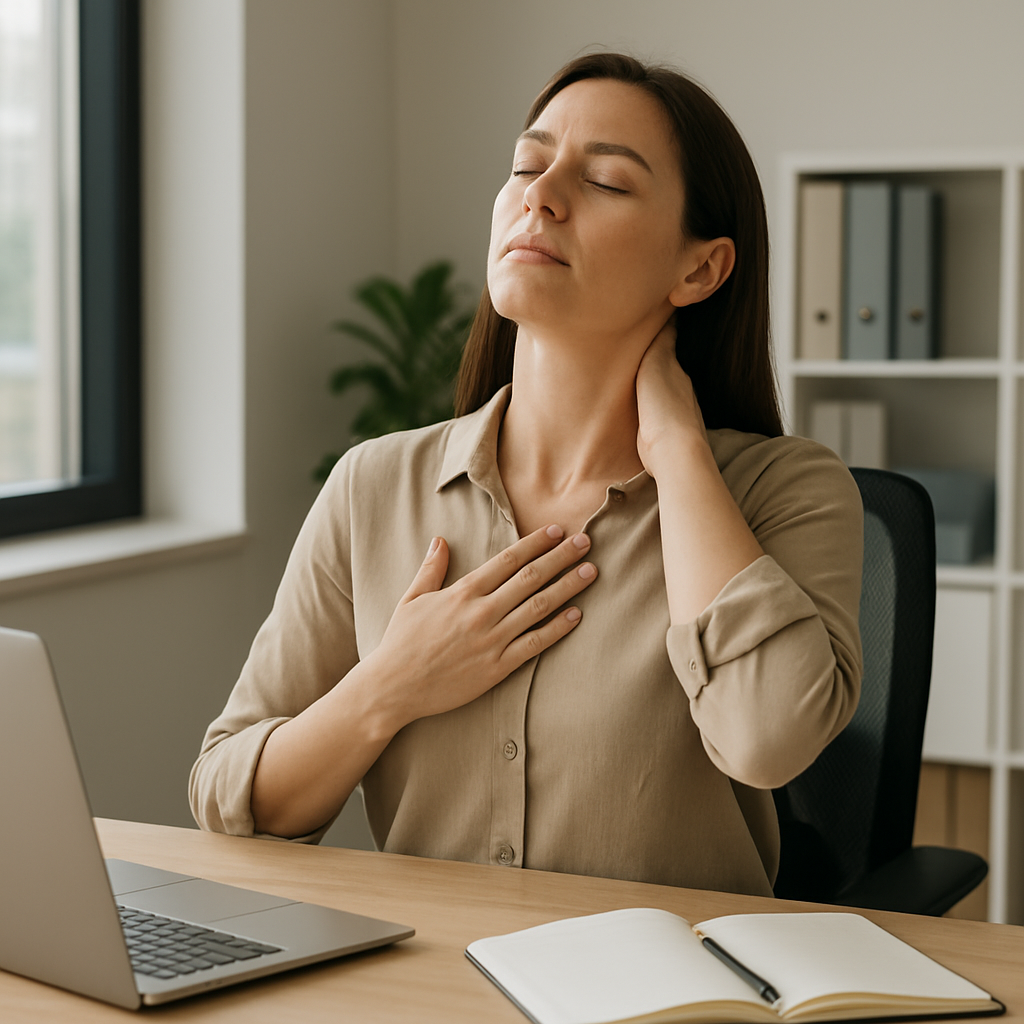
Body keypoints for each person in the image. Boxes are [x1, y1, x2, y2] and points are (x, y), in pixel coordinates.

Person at [189, 53, 863, 898]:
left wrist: (679, 450)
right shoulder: (372, 486)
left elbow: (766, 738)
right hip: (432, 990)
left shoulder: (786, 490)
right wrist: (387, 688)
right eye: (525, 165)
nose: (540, 194)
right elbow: (228, 798)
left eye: (607, 181)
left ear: (700, 269)